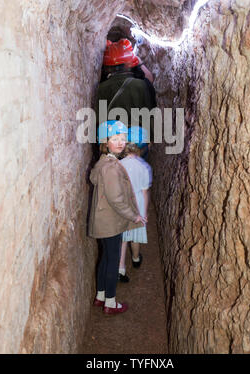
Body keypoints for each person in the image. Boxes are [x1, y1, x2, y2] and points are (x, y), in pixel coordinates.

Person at [88, 120, 145, 315]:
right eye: (115, 139)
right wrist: (134, 216)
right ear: (105, 142)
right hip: (111, 222)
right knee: (112, 261)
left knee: (106, 258)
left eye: (122, 139)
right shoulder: (111, 168)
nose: (120, 142)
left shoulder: (104, 162)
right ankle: (110, 303)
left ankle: (101, 295)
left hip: (104, 221)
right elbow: (116, 199)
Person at [96, 39, 156, 145]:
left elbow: (99, 120)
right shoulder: (142, 85)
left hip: (112, 140)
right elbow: (150, 78)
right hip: (136, 140)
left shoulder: (101, 88)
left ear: (107, 68)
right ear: (130, 64)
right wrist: (138, 61)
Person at [118, 126, 152, 283]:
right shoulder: (144, 167)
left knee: (123, 236)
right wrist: (144, 213)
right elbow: (145, 192)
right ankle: (136, 258)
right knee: (135, 235)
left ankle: (121, 268)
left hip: (124, 201)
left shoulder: (119, 165)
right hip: (138, 201)